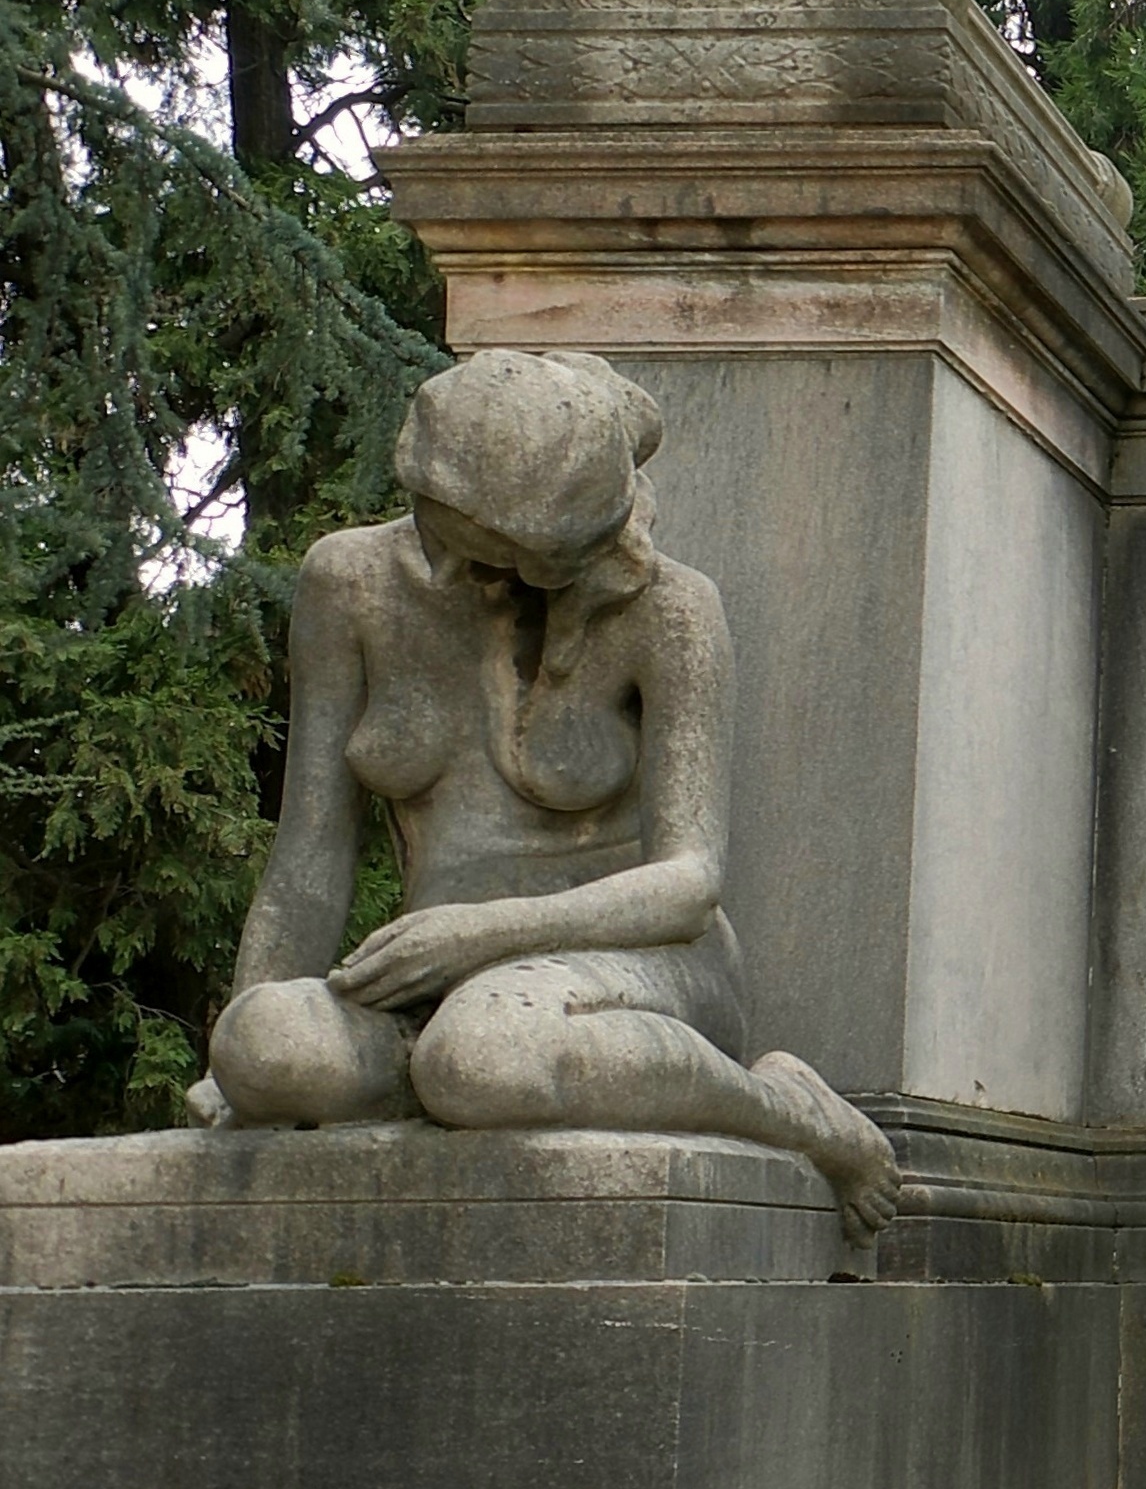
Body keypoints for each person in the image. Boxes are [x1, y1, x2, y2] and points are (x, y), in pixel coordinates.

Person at [193, 349, 901, 1241]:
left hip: (639, 966)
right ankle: (419, 1066)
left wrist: (485, 934)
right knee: (268, 1044)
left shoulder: (672, 611)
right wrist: (236, 1058)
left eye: (501, 557)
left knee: (484, 1055)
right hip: (427, 981)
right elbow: (308, 856)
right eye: (442, 530)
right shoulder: (350, 583)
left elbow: (689, 879)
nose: (456, 572)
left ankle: (791, 1108)